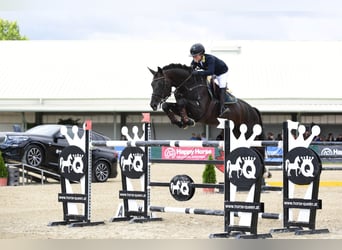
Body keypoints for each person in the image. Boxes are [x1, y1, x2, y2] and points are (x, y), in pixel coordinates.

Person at [190, 43, 230, 116]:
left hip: (222, 72)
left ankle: (222, 108)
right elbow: (191, 70)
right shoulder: (195, 61)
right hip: (213, 72)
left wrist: (197, 73)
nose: (194, 58)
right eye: (193, 56)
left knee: (222, 87)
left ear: (201, 54)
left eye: (195, 56)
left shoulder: (210, 59)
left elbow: (210, 72)